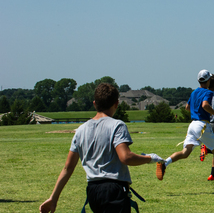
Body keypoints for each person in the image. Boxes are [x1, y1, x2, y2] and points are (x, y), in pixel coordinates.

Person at [39, 83, 163, 213]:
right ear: (116, 103)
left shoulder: (81, 130)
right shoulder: (117, 125)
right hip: (114, 190)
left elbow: (68, 167)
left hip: (93, 191)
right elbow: (126, 157)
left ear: (94, 104)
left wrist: (53, 198)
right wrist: (150, 158)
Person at [156, 69, 214, 189]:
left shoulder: (194, 92)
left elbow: (187, 107)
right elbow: (205, 105)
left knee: (185, 153)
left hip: (192, 125)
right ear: (208, 81)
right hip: (202, 125)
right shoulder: (208, 92)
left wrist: (196, 112)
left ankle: (165, 163)